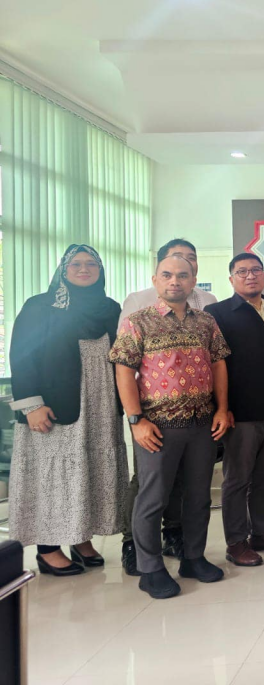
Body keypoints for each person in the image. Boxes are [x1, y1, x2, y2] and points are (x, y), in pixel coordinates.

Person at [109, 255, 232, 599]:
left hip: (202, 424)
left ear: (194, 281)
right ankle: (150, 569)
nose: (174, 281)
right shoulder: (138, 322)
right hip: (157, 426)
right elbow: (123, 371)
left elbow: (219, 365)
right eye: (167, 275)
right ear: (156, 280)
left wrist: (222, 409)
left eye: (182, 275)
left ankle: (193, 558)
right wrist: (136, 420)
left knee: (197, 497)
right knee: (153, 498)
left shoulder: (206, 322)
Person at [8, 245, 130, 576]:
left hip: (100, 404)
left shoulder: (109, 308)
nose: (84, 268)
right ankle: (49, 547)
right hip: (54, 405)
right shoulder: (40, 307)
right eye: (75, 264)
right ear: (63, 269)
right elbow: (21, 355)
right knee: (56, 475)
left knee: (90, 469)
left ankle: (80, 538)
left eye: (92, 264)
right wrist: (31, 404)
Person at [206, 253, 264, 566]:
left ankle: (261, 532)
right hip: (240, 412)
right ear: (231, 278)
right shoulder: (217, 313)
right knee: (237, 479)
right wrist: (222, 407)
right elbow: (213, 365)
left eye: (256, 270)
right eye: (242, 271)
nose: (250, 276)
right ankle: (236, 542)